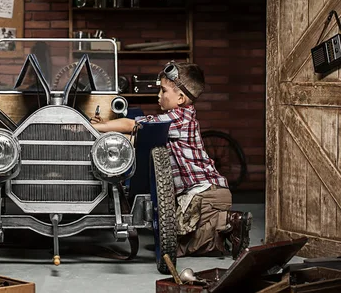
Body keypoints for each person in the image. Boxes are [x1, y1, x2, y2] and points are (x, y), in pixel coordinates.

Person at [91, 61, 252, 259]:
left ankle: (228, 222)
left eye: (163, 90)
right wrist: (107, 128)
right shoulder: (178, 119)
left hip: (203, 193)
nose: (158, 96)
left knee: (175, 249)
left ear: (181, 98)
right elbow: (134, 138)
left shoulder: (177, 119)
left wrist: (96, 127)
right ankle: (220, 231)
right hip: (207, 193)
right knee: (196, 244)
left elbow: (131, 125)